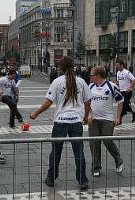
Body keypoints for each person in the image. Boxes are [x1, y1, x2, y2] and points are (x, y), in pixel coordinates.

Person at [30, 56, 92, 190]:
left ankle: (51, 178)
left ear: (61, 67)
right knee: (79, 152)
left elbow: (48, 102)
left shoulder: (57, 82)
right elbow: (88, 101)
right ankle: (82, 180)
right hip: (76, 121)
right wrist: (86, 116)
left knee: (56, 152)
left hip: (60, 121)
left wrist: (36, 113)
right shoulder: (81, 82)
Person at [88, 66, 124, 177]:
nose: (90, 77)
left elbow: (120, 101)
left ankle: (118, 160)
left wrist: (118, 117)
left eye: (92, 75)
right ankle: (96, 167)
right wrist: (88, 115)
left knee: (107, 141)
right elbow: (87, 102)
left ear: (98, 75)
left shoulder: (111, 86)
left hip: (107, 120)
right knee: (94, 143)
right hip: (94, 120)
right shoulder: (90, 86)